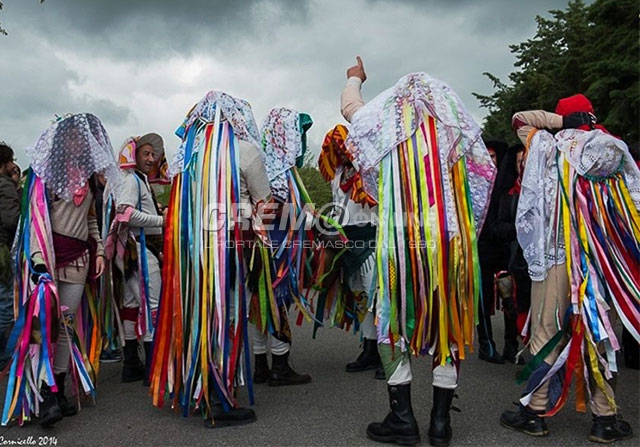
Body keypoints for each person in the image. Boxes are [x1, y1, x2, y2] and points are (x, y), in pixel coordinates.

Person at [341, 57, 496, 446]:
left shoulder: (383, 126)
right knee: (449, 324)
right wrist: (466, 231)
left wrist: (355, 79)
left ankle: (403, 417)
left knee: (392, 320)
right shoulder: (459, 131)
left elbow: (350, 110)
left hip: (401, 240)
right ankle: (441, 423)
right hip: (450, 242)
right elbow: (484, 179)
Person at [499, 94, 639, 443]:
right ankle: (604, 419)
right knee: (600, 333)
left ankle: (535, 413)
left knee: (546, 330)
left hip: (555, 256)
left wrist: (561, 124)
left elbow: (520, 118)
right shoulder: (613, 150)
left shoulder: (548, 145)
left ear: (562, 118)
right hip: (601, 260)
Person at [149, 91, 272, 428]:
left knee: (199, 317)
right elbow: (266, 205)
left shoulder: (186, 156)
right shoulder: (247, 152)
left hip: (191, 255)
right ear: (236, 119)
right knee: (229, 318)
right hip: (233, 251)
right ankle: (220, 398)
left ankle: (203, 386)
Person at [2, 113, 121, 427]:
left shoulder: (90, 175)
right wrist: (39, 261)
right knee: (44, 328)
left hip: (80, 261)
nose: (79, 140)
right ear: (60, 139)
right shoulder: (44, 176)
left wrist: (97, 250)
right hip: (49, 260)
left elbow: (92, 218)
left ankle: (58, 387)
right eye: (72, 135)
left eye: (82, 136)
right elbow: (34, 221)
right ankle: (45, 396)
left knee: (66, 327)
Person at [250, 107, 314, 387]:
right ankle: (279, 365)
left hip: (262, 246)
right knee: (275, 303)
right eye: (297, 134)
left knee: (259, 304)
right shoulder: (277, 169)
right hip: (275, 249)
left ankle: (260, 365)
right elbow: (270, 209)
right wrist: (306, 218)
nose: (300, 141)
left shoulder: (262, 161)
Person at [317, 124, 383, 379]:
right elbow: (337, 205)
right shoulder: (338, 174)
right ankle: (368, 348)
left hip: (370, 236)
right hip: (346, 239)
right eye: (337, 148)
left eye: (344, 147)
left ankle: (386, 352)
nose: (341, 152)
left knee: (376, 296)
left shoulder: (369, 171)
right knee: (360, 297)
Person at [106, 133, 167, 385]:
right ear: (134, 155)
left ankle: (132, 363)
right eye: (146, 154)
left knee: (131, 304)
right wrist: (163, 221)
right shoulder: (131, 180)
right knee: (152, 305)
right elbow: (126, 215)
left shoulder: (136, 180)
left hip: (133, 250)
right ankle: (153, 368)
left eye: (153, 155)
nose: (151, 159)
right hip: (139, 249)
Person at [492, 143, 530, 364]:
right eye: (520, 161)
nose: (524, 165)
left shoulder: (549, 191)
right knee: (512, 301)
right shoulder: (508, 194)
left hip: (540, 262)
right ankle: (510, 344)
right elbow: (498, 226)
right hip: (513, 258)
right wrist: (519, 229)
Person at [475, 140, 509, 364]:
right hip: (483, 245)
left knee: (511, 295)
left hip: (507, 244)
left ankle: (512, 343)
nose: (490, 161)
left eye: (494, 157)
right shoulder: (474, 183)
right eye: (486, 157)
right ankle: (486, 344)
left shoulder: (510, 182)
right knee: (484, 296)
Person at [0, 142, 20, 371]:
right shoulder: (5, 186)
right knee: (6, 305)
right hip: (3, 251)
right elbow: (12, 220)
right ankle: (4, 357)